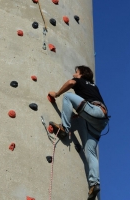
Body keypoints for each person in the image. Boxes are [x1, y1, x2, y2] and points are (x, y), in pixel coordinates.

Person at [48, 65, 109, 200]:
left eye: (76, 72)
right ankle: (94, 184)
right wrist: (80, 114)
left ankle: (64, 128)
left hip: (94, 111)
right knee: (90, 152)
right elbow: (88, 102)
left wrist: (56, 94)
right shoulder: (94, 86)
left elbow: (70, 83)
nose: (74, 74)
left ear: (81, 74)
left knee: (68, 97)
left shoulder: (79, 81)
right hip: (100, 121)